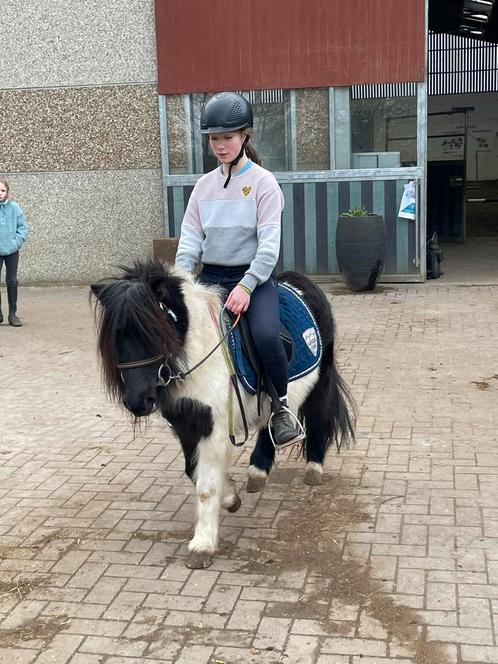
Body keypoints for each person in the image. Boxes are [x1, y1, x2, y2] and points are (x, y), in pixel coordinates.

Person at [175, 92, 303, 448]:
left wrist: (247, 287)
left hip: (253, 278)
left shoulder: (264, 184)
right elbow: (189, 242)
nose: (220, 145)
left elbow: (268, 247)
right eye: (214, 138)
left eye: (227, 137)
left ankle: (280, 407)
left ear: (245, 135)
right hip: (211, 277)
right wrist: (181, 282)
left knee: (264, 335)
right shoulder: (202, 187)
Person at [0, 177, 28, 327]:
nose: (0, 193)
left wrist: (15, 243)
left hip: (11, 251)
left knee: (11, 281)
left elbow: (22, 228)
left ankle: (12, 314)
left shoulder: (15, 208)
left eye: (2, 190)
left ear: (7, 192)